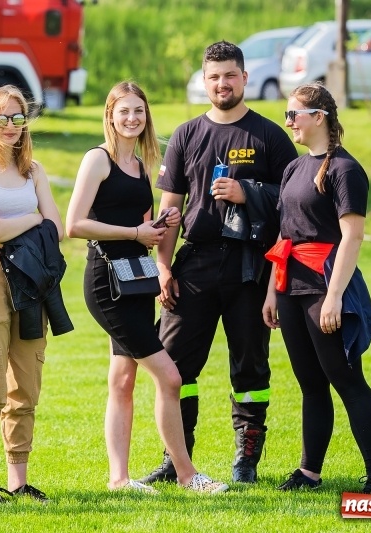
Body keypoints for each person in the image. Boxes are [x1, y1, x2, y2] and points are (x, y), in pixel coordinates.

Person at [140, 41, 298, 485]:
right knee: (173, 365)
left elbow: (293, 209)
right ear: (204, 81)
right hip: (196, 264)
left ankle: (246, 459)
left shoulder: (269, 136)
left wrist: (249, 193)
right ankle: (178, 458)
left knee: (249, 366)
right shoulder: (188, 135)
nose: (222, 84)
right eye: (214, 77)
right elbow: (169, 209)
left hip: (251, 266)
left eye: (230, 75)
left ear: (244, 78)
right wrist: (164, 267)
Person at [66, 81, 229, 495]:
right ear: (110, 115)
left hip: (137, 282)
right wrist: (135, 232)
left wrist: (160, 226)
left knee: (122, 380)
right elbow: (74, 225)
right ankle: (188, 474)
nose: (132, 118)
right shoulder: (97, 160)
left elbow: (143, 229)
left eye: (139, 111)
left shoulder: (140, 165)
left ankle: (119, 479)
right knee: (170, 377)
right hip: (106, 283)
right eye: (124, 111)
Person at [262, 83, 371, 494]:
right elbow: (284, 235)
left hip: (325, 286)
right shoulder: (294, 169)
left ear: (319, 117)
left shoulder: (345, 170)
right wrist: (271, 292)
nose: (288, 123)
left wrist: (334, 296)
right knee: (310, 383)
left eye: (293, 114)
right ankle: (309, 472)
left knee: (346, 378)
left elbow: (352, 238)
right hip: (290, 286)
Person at [0, 85, 71, 504]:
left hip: (30, 283)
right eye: (2, 118)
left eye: (18, 117)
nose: (11, 126)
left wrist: (27, 224)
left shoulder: (34, 170)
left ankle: (19, 480)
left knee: (25, 387)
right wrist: (30, 217)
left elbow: (56, 228)